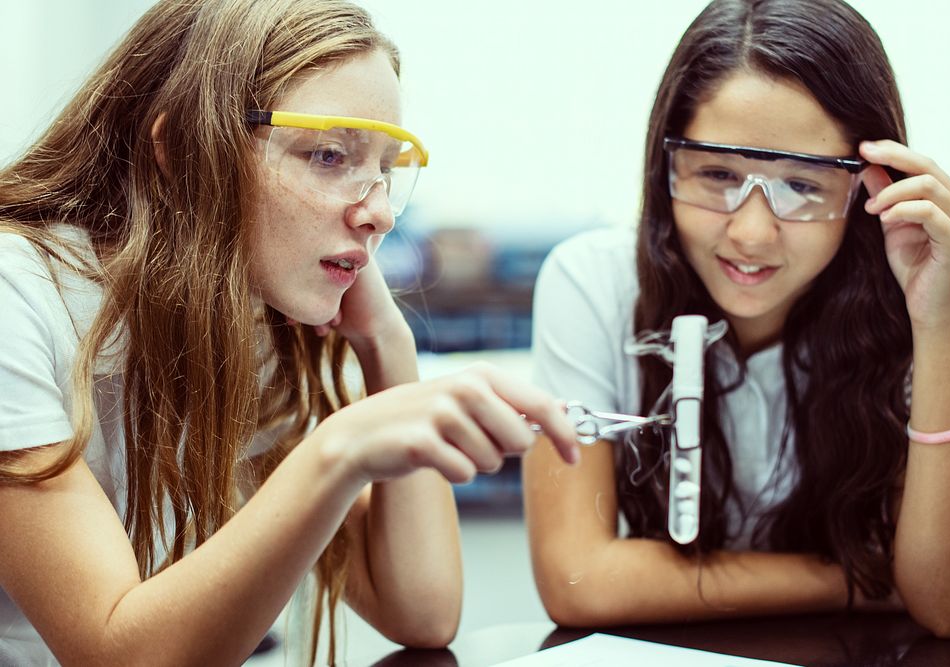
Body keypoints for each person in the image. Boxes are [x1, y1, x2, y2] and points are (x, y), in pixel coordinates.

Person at [0, 1, 580, 664]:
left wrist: (389, 345)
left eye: (386, 168)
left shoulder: (246, 314)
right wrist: (338, 448)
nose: (381, 213)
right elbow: (117, 654)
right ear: (181, 153)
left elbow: (422, 609)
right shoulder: (14, 295)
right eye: (330, 155)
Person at [524, 0, 950, 639]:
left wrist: (937, 321)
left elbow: (949, 603)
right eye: (718, 174)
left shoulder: (922, 293)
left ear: (869, 185)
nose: (750, 233)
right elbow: (578, 579)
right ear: (665, 165)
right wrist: (867, 578)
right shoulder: (594, 281)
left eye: (802, 186)